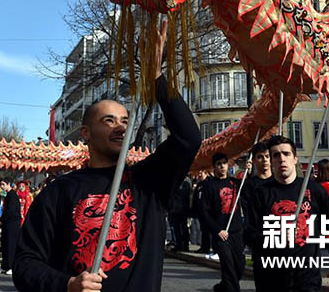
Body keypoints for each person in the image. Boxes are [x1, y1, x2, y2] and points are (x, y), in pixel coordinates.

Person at [12, 20, 201, 292]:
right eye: (109, 121)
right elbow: (25, 264)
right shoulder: (60, 191)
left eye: (125, 120)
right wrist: (68, 284)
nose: (121, 127)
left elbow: (189, 139)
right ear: (86, 133)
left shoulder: (148, 182)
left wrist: (156, 78)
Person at [245, 136, 329, 292]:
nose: (281, 159)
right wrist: (276, 237)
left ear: (295, 159)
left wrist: (307, 234)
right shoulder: (260, 194)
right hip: (270, 277)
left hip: (306, 277)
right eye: (276, 155)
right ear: (271, 161)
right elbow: (248, 233)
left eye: (286, 154)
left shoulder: (314, 190)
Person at [201, 153, 245, 292]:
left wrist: (248, 170)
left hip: (237, 232)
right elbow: (204, 212)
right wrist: (217, 230)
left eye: (224, 163)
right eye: (219, 164)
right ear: (214, 167)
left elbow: (250, 187)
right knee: (229, 267)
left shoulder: (235, 183)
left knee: (239, 267)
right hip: (221, 234)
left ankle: (222, 287)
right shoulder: (210, 186)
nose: (222, 166)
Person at [240, 141, 271, 290]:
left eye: (267, 156)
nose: (264, 160)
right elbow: (248, 213)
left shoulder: (279, 182)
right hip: (260, 240)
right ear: (253, 160)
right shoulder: (249, 186)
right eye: (260, 157)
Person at [0, 179, 21, 275]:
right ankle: (4, 266)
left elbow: (10, 211)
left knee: (11, 245)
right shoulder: (8, 195)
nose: (1, 186)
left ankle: (11, 266)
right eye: (1, 184)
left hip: (12, 224)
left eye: (3, 184)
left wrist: (1, 220)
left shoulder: (12, 195)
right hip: (7, 223)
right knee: (5, 245)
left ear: (8, 184)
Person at [191, 170, 212, 254]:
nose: (199, 175)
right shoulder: (200, 184)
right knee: (203, 230)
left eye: (201, 173)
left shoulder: (210, 183)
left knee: (207, 231)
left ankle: (208, 247)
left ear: (206, 173)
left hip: (207, 211)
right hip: (200, 211)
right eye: (199, 173)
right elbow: (196, 197)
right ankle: (203, 247)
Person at [169, 176, 191, 252]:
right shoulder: (175, 181)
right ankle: (178, 244)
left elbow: (185, 195)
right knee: (176, 227)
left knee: (183, 227)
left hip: (182, 208)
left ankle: (185, 245)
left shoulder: (186, 182)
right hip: (174, 208)